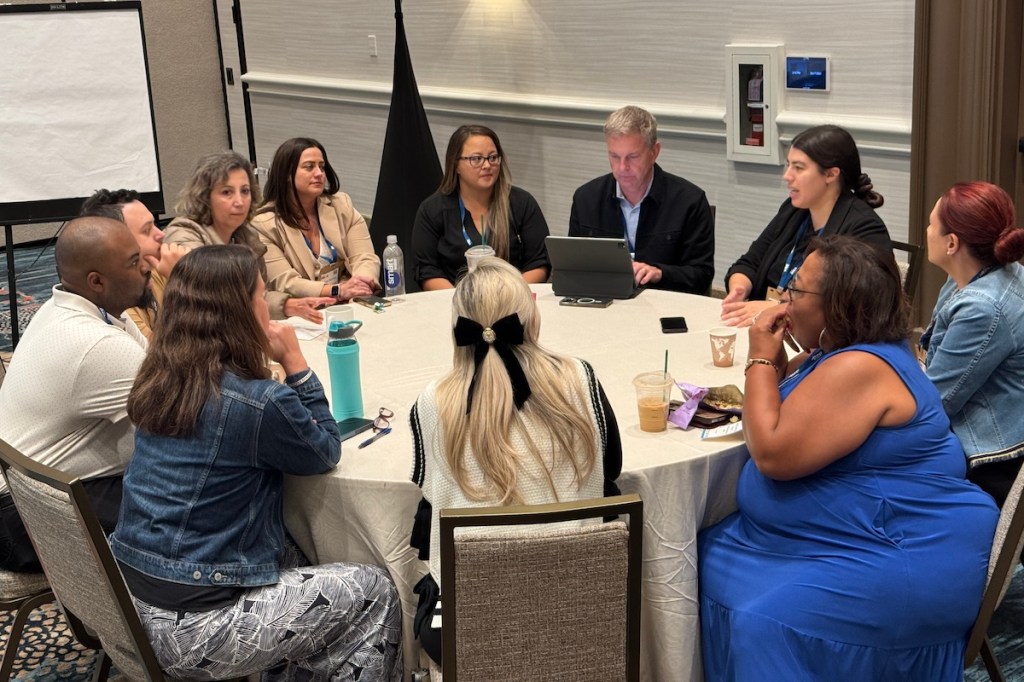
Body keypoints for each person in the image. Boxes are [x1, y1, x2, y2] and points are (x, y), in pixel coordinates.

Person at [699, 235, 998, 680]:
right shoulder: (837, 352)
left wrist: (760, 360)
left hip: (897, 556)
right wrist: (779, 365)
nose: (785, 299)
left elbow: (774, 455)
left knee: (761, 618)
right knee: (698, 555)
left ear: (838, 306)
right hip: (846, 538)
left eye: (797, 290)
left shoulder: (860, 366)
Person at [109, 245, 402, 681]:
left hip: (129, 603)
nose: (266, 305)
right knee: (375, 592)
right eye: (260, 296)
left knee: (297, 548)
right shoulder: (257, 402)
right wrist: (295, 363)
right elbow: (324, 451)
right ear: (240, 310)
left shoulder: (160, 376)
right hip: (195, 630)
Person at [407, 257, 622, 666]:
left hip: (468, 628)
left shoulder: (431, 403)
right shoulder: (582, 378)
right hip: (581, 614)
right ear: (531, 314)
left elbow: (429, 493)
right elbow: (610, 470)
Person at [0, 216, 151, 572]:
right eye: (133, 262)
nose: (146, 267)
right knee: (196, 501)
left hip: (36, 491)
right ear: (96, 281)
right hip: (23, 516)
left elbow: (161, 369)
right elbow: (195, 414)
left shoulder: (69, 307)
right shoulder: (97, 344)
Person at [721, 124, 891, 326]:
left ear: (830, 174)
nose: (787, 175)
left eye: (798, 168)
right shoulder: (793, 211)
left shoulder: (864, 228)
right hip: (768, 330)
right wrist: (740, 287)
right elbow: (750, 263)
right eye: (788, 164)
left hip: (821, 346)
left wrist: (778, 308)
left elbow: (856, 307)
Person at [920, 181, 1024, 506]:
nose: (926, 229)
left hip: (991, 461)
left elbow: (934, 403)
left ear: (951, 243)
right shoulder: (984, 274)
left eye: (931, 224)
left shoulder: (982, 307)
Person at [163, 151, 333, 322]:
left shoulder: (246, 234)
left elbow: (256, 295)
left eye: (245, 191)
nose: (239, 201)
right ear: (205, 197)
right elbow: (213, 298)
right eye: (227, 192)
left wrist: (287, 305)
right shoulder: (184, 233)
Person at [569, 105, 715, 294]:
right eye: (614, 156)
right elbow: (573, 268)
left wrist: (661, 273)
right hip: (604, 302)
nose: (622, 167)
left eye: (633, 157)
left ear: (654, 152)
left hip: (665, 303)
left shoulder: (689, 201)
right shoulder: (586, 199)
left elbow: (701, 276)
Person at [411, 125, 551, 289]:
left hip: (513, 300)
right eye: (476, 159)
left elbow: (539, 263)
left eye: (492, 157)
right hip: (454, 303)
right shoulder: (432, 210)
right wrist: (462, 300)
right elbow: (427, 271)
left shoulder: (522, 203)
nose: (486, 165)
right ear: (455, 164)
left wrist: (511, 294)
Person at [252, 137, 380, 303]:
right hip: (302, 311)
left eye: (322, 166)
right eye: (309, 167)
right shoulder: (264, 225)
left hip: (350, 301)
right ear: (286, 175)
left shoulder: (342, 206)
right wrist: (337, 290)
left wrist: (360, 285)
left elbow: (365, 257)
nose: (319, 174)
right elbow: (286, 282)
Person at [79, 188, 190, 339]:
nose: (161, 234)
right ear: (116, 244)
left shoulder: (158, 268)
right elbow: (167, 357)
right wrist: (184, 282)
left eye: (155, 225)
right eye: (146, 230)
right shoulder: (117, 299)